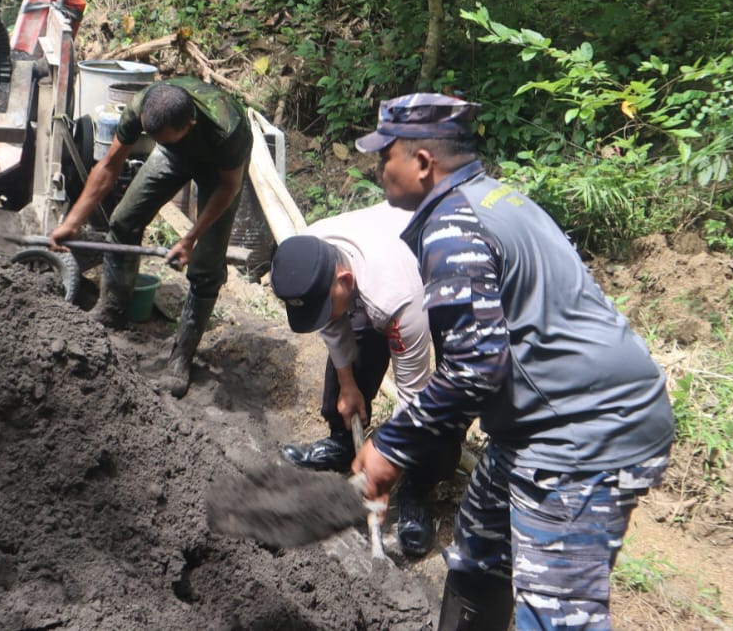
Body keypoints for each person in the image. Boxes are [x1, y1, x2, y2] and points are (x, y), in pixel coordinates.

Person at [350, 93, 675, 631]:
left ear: (422, 163)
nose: (378, 169)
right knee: (480, 557)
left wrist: (392, 446)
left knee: (556, 614)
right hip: (543, 422)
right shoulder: (495, 198)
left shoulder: (454, 226)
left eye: (386, 156)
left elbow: (475, 367)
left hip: (581, 432)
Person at [269, 203, 457, 558]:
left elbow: (413, 397)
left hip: (442, 278)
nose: (321, 317)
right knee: (352, 343)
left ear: (345, 281)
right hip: (375, 275)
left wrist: (386, 463)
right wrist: (348, 385)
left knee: (448, 390)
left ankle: (418, 485)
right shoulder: (311, 251)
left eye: (324, 307)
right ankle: (345, 444)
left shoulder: (395, 295)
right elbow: (331, 324)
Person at [49, 77, 250, 398]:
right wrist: (73, 221)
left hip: (219, 172)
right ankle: (112, 310)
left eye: (163, 138)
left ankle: (181, 355)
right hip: (173, 156)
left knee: (206, 265)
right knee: (123, 221)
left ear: (190, 124)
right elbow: (109, 165)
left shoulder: (227, 129)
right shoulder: (142, 106)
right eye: (151, 136)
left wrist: (189, 239)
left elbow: (228, 188)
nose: (154, 140)